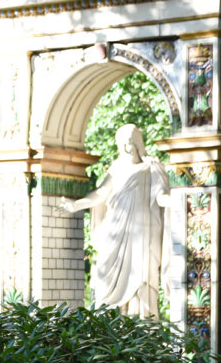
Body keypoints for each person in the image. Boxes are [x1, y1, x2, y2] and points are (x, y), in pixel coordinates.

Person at [60, 124, 171, 317]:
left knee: (141, 275)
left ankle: (140, 321)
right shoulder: (116, 169)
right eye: (123, 143)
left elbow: (160, 195)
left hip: (142, 231)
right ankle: (110, 320)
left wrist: (176, 201)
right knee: (106, 271)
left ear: (137, 143)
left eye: (130, 142)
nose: (127, 147)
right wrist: (76, 205)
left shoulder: (150, 167)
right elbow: (101, 194)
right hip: (116, 228)